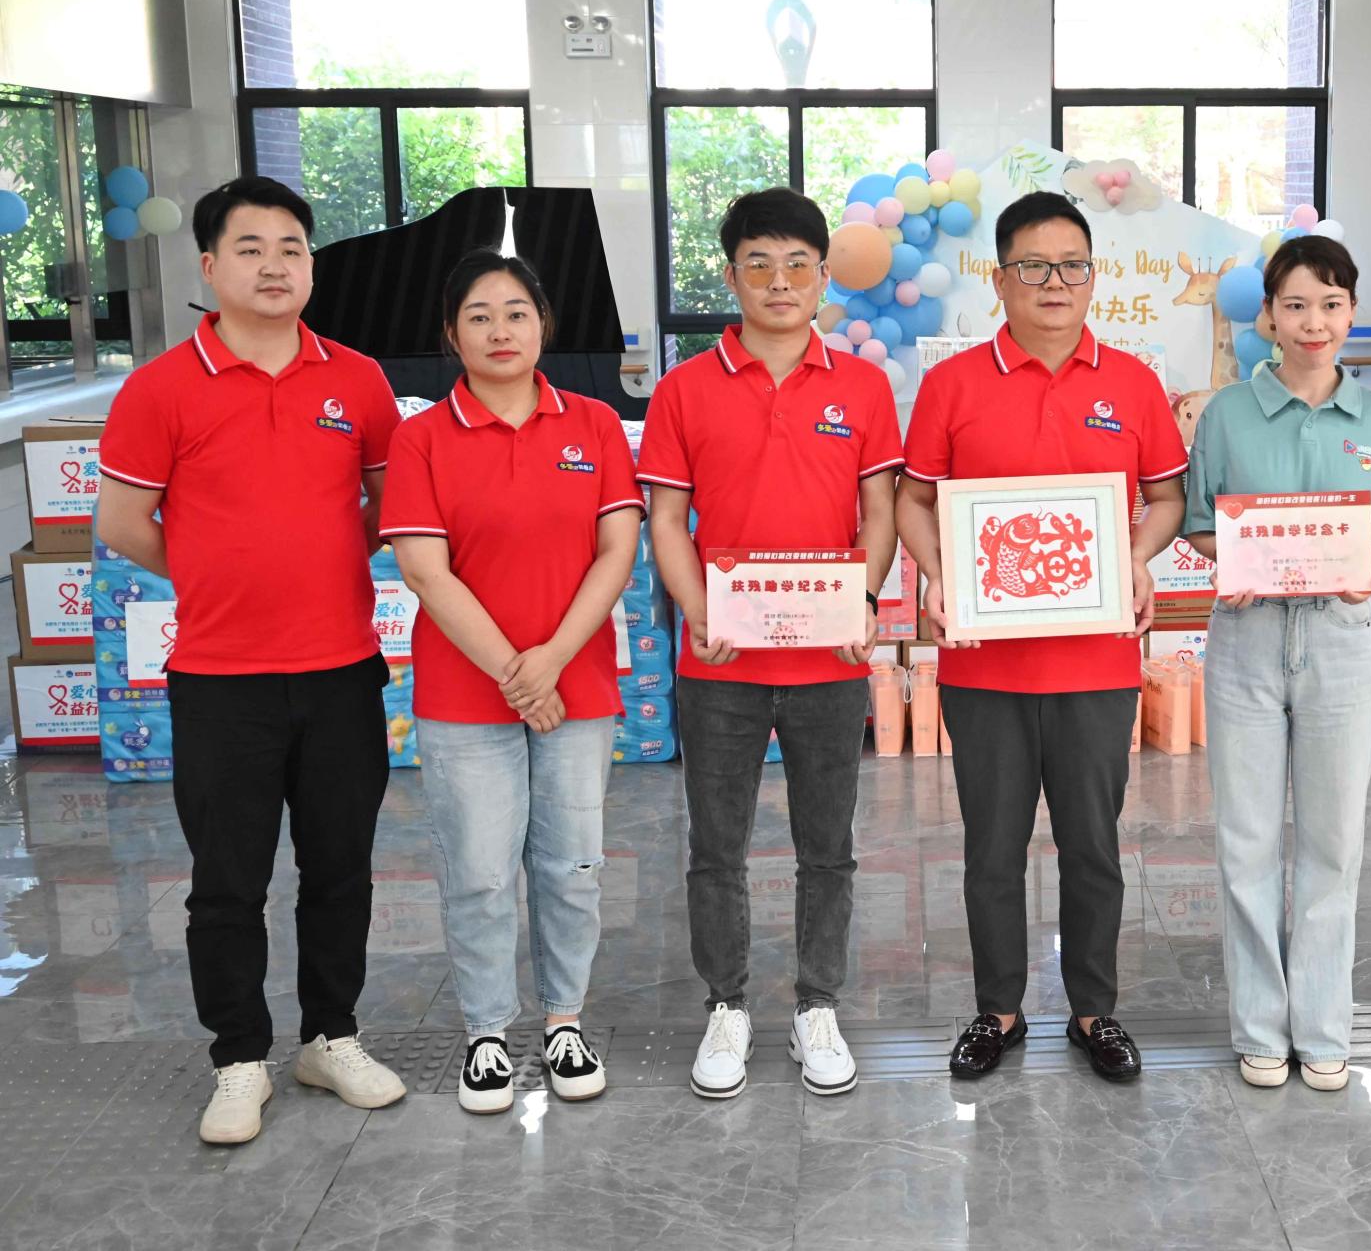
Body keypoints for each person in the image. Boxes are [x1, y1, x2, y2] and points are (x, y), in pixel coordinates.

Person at [97, 176, 407, 1145]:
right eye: (250, 247)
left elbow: (390, 506)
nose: (274, 265)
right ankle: (239, 1057)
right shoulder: (160, 387)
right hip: (220, 678)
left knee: (340, 868)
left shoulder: (358, 379)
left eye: (291, 248)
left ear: (310, 264)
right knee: (227, 879)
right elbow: (123, 521)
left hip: (342, 670)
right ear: (208, 264)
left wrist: (320, 559)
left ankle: (330, 1036)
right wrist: (212, 567)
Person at [896, 190, 1188, 1083]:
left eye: (1072, 265)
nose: (1054, 282)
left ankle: (1095, 1010)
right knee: (991, 849)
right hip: (983, 665)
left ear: (1093, 277)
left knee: (1094, 846)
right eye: (1033, 265)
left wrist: (1134, 557)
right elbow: (914, 498)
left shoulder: (1132, 382)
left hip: (1096, 663)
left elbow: (1167, 497)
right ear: (1000, 278)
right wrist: (939, 574)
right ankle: (999, 1009)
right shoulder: (952, 384)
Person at [638, 188, 903, 1101]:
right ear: (731, 276)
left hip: (829, 660)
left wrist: (863, 597)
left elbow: (878, 513)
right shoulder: (683, 389)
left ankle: (817, 1004)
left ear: (824, 276)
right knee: (716, 847)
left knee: (828, 846)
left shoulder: (863, 387)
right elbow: (666, 519)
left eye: (797, 264)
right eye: (759, 263)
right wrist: (697, 608)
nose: (779, 281)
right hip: (720, 663)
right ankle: (727, 1005)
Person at [380, 250, 642, 1113]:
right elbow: (426, 570)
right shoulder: (421, 438)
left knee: (572, 865)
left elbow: (617, 552)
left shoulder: (594, 425)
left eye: (517, 312)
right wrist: (516, 674)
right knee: (482, 871)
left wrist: (552, 660)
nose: (501, 330)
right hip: (465, 697)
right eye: (480, 316)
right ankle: (486, 1032)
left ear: (544, 326)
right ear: (450, 335)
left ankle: (564, 1021)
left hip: (578, 686)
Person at [1182, 236, 1371, 1092]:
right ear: (1268, 316)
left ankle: (1322, 1025)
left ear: (1351, 313)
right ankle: (1259, 1025)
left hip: (1340, 642)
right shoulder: (1227, 414)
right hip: (1246, 640)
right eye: (1295, 305)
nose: (1313, 321)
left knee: (1334, 840)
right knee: (1246, 840)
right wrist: (1238, 558)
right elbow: (1199, 522)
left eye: (1330, 304)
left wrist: (1366, 565)